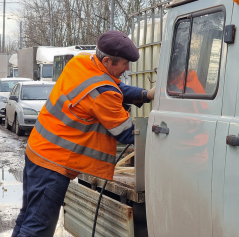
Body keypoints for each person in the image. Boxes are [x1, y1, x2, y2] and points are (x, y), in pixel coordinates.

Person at [12, 30, 155, 237]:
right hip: (53, 165)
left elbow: (115, 86)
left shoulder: (82, 62)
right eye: (124, 63)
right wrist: (166, 138)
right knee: (37, 229)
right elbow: (127, 134)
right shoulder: (102, 93)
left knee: (28, 218)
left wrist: (145, 95)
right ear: (107, 61)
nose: (127, 68)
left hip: (37, 151)